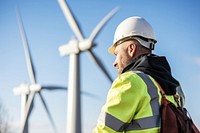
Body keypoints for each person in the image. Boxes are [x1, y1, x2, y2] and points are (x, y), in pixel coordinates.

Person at [93, 16, 185, 133]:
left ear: (131, 49)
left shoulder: (130, 81)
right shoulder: (175, 87)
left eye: (117, 54)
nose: (114, 63)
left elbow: (105, 131)